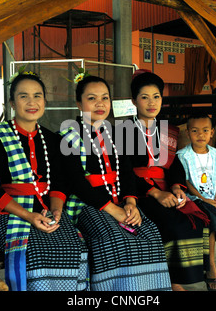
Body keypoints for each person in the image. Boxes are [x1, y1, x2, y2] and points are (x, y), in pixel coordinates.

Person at [59, 75, 172, 291]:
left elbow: (127, 173)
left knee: (148, 233)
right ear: (79, 103)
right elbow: (77, 183)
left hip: (119, 200)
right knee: (113, 238)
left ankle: (147, 292)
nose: (100, 104)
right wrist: (114, 210)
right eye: (92, 98)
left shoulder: (118, 132)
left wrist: (130, 202)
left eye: (105, 98)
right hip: (86, 205)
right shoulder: (68, 136)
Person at [0, 72, 89, 291]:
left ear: (45, 102)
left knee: (76, 247)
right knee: (36, 251)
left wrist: (56, 211)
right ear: (12, 103)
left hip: (46, 210)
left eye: (37, 96)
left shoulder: (53, 139)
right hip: (7, 212)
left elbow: (59, 182)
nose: (32, 102)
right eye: (23, 96)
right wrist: (28, 215)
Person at [120, 71, 210, 291]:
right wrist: (157, 194)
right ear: (134, 101)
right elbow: (125, 172)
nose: (152, 102)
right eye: (145, 97)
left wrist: (177, 187)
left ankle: (193, 275)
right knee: (172, 223)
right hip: (139, 191)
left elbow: (175, 165)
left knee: (198, 219)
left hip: (166, 187)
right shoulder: (123, 131)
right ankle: (173, 281)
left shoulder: (166, 129)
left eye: (156, 96)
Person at [176, 113, 216, 291]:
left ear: (211, 133)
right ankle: (211, 268)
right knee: (211, 220)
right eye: (195, 131)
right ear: (189, 133)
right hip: (197, 198)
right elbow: (186, 182)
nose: (200, 135)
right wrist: (205, 199)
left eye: (205, 130)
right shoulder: (183, 156)